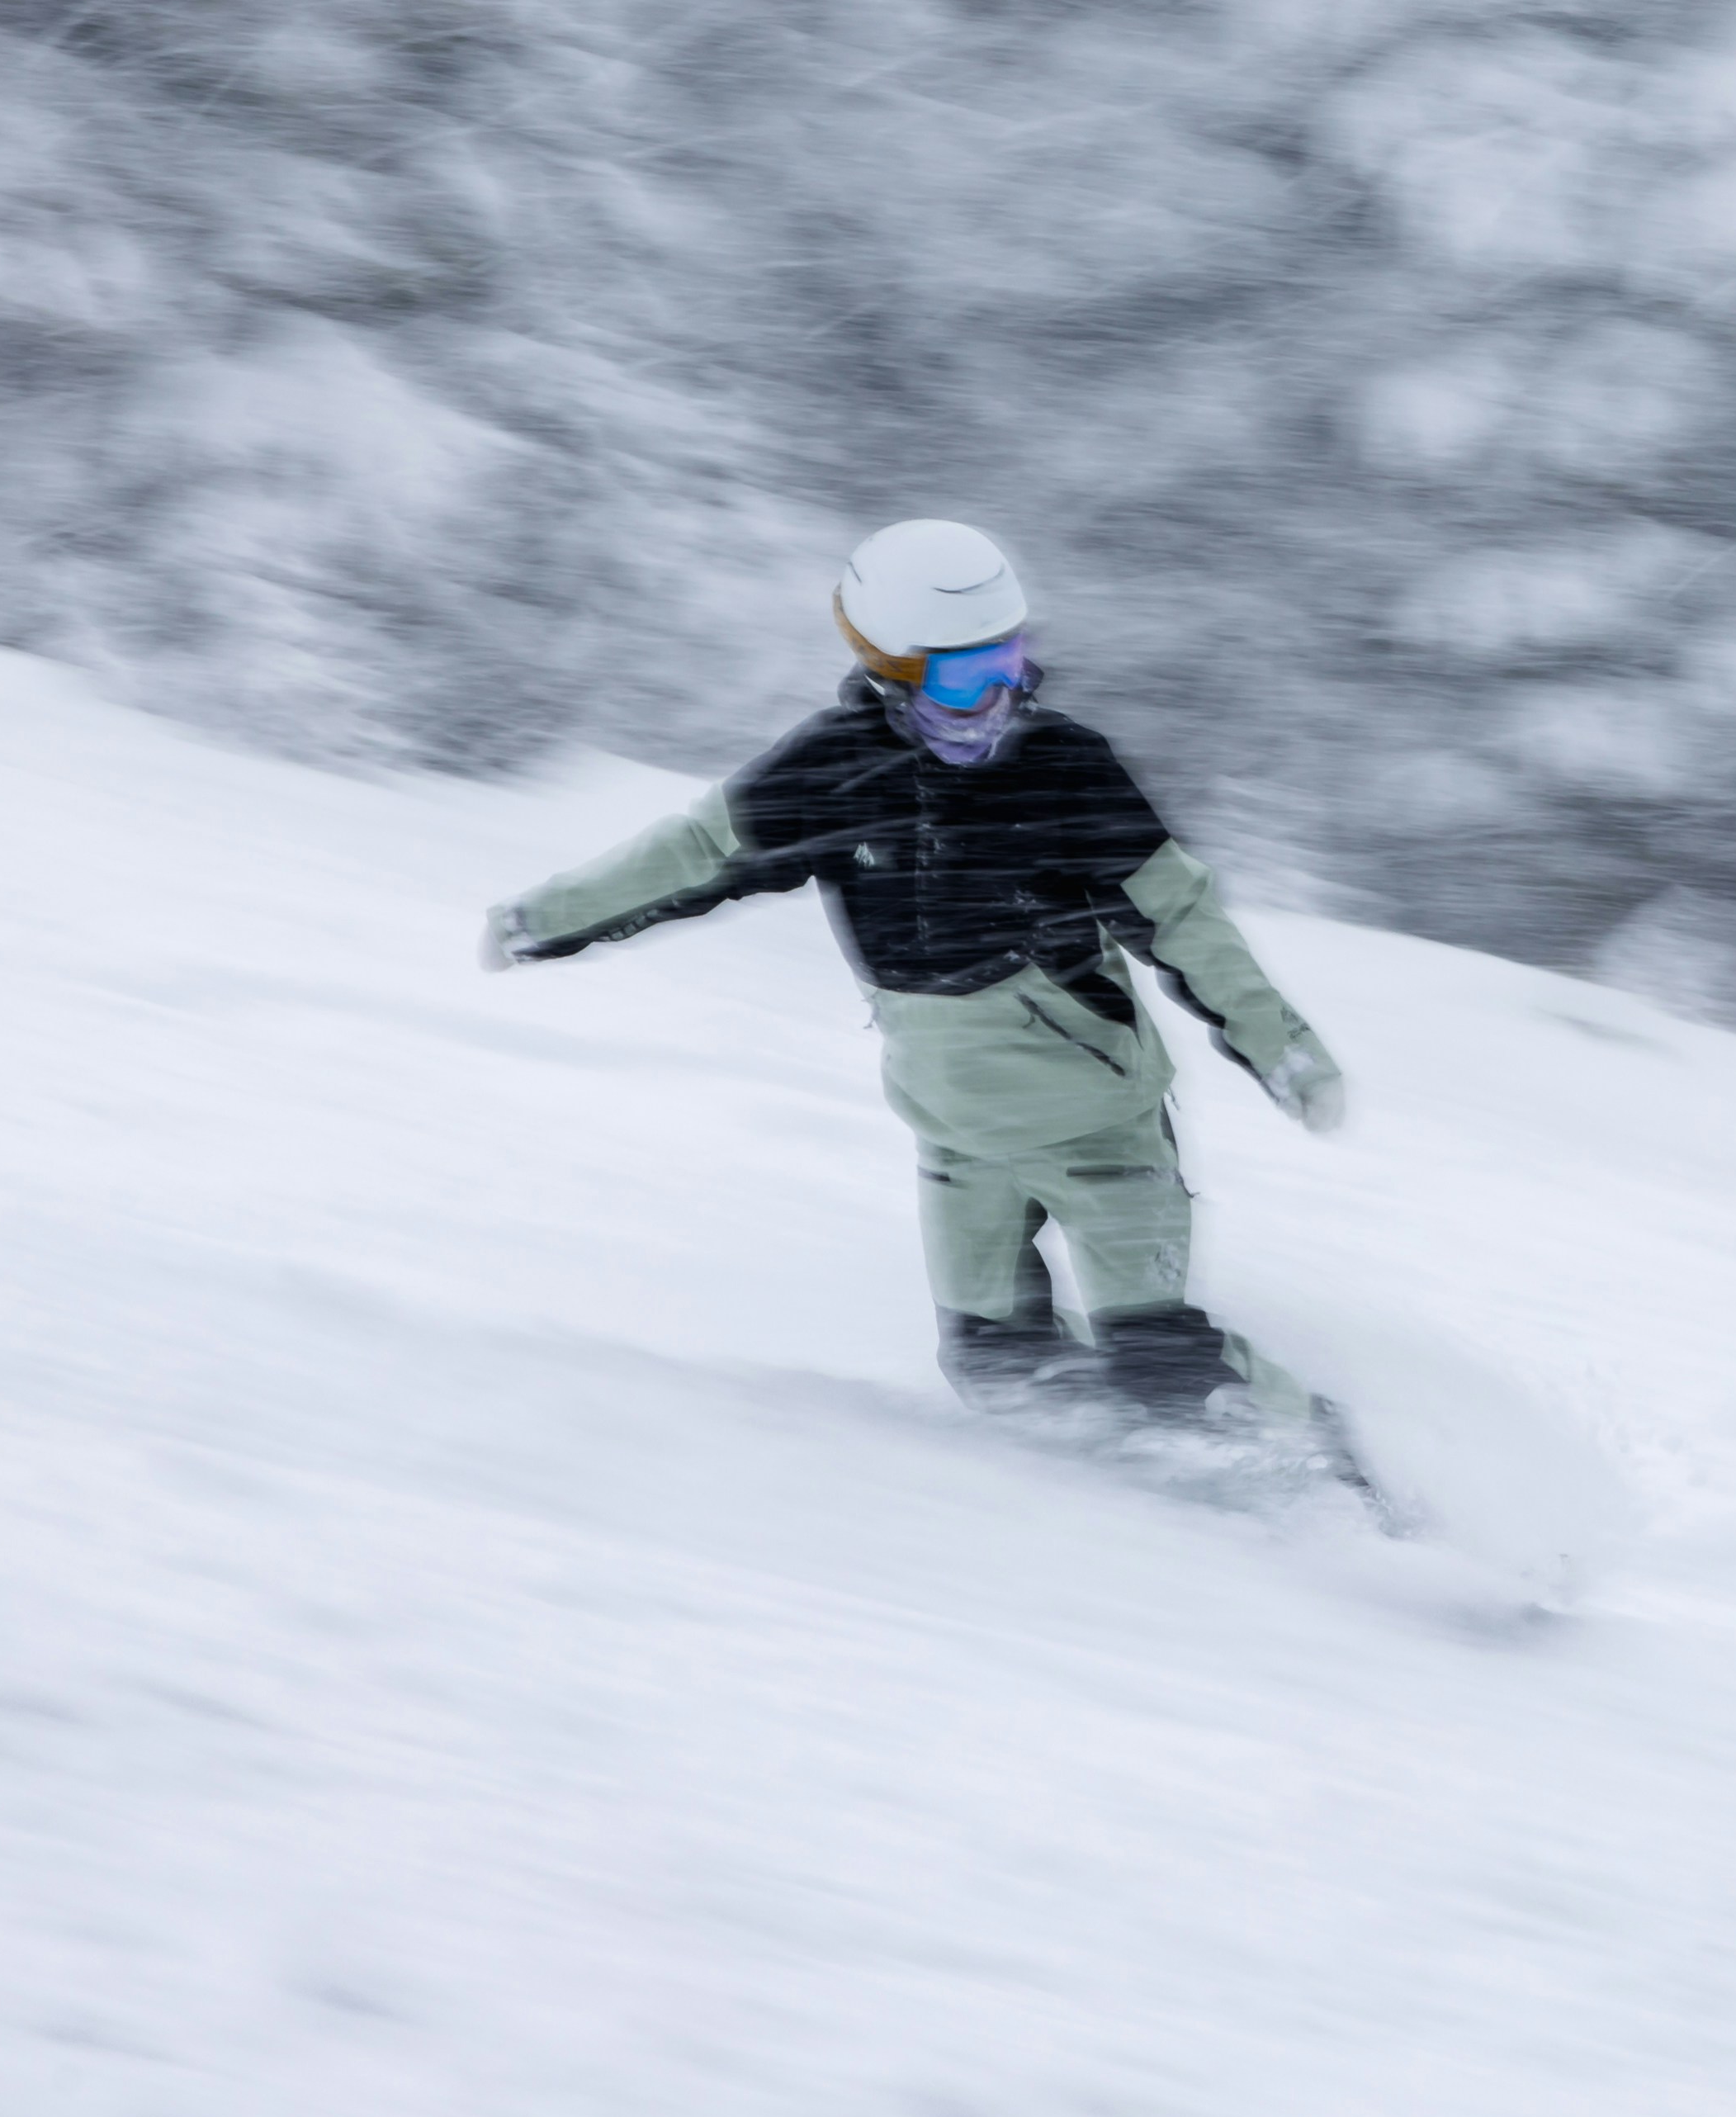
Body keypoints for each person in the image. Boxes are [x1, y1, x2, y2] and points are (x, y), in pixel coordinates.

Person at [485, 519, 1353, 1436]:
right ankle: (1122, 1488)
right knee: (994, 1361)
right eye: (961, 674)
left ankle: (1350, 1477)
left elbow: (1182, 915)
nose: (996, 695)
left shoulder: (1066, 768)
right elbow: (695, 854)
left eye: (1009, 660)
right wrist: (547, 919)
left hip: (1102, 1127)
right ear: (886, 667)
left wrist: (1281, 1047)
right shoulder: (832, 773)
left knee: (1158, 1356)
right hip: (957, 1140)